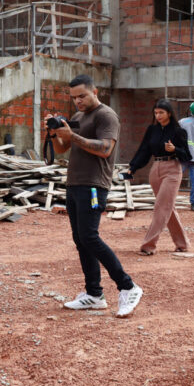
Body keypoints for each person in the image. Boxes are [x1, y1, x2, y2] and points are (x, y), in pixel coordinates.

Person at [46, 75, 143, 318]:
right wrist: (53, 133)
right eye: (74, 97)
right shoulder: (78, 117)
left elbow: (105, 148)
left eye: (82, 96)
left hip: (93, 185)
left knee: (90, 236)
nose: (77, 101)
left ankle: (128, 286)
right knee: (80, 239)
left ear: (95, 92)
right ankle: (94, 294)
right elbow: (62, 149)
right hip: (75, 183)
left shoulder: (106, 115)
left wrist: (73, 136)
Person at [124, 99, 191, 255]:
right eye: (156, 113)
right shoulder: (152, 130)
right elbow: (144, 151)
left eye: (161, 112)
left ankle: (148, 245)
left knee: (161, 207)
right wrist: (132, 168)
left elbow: (187, 155)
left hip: (172, 169)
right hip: (156, 169)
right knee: (168, 208)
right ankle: (183, 244)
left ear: (169, 113)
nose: (158, 115)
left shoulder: (178, 131)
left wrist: (175, 149)